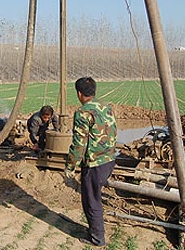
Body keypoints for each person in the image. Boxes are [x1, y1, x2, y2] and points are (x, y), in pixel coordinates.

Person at [65, 77, 117, 247]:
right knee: (94, 197)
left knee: (91, 201)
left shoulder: (82, 113)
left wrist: (70, 166)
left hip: (94, 164)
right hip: (109, 160)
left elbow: (78, 144)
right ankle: (95, 231)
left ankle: (97, 238)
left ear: (79, 94)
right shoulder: (106, 108)